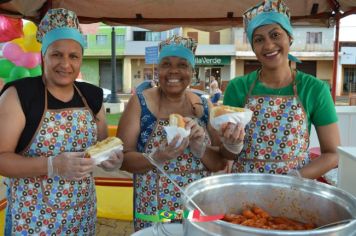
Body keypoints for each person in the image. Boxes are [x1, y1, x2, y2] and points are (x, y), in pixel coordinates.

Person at [0, 8, 123, 235]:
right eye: (57, 54)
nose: (65, 64)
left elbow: (103, 145)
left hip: (81, 216)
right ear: (43, 56)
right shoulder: (19, 95)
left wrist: (111, 160)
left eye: (73, 56)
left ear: (81, 59)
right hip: (31, 221)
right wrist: (52, 165)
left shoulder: (92, 96)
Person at [117, 35, 244, 231]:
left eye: (182, 65)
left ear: (192, 72)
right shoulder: (140, 103)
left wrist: (201, 148)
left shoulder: (204, 105)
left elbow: (220, 162)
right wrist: (155, 158)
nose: (173, 71)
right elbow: (123, 160)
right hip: (154, 212)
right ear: (158, 70)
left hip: (195, 212)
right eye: (166, 64)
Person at [223, 0, 340, 179]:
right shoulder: (237, 88)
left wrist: (295, 177)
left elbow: (332, 154)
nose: (269, 45)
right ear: (253, 47)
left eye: (275, 35)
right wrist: (232, 146)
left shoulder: (314, 89)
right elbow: (227, 156)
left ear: (290, 38)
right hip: (246, 188)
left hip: (294, 191)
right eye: (259, 39)